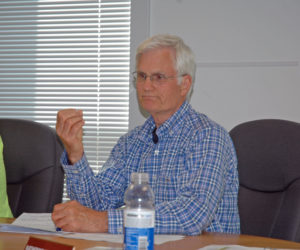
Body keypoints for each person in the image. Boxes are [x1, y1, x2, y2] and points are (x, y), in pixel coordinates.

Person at [52, 34, 240, 235]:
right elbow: (96, 204)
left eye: (158, 77)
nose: (146, 86)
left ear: (184, 84)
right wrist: (75, 154)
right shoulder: (132, 141)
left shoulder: (208, 137)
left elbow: (193, 214)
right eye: (141, 76)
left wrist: (104, 221)